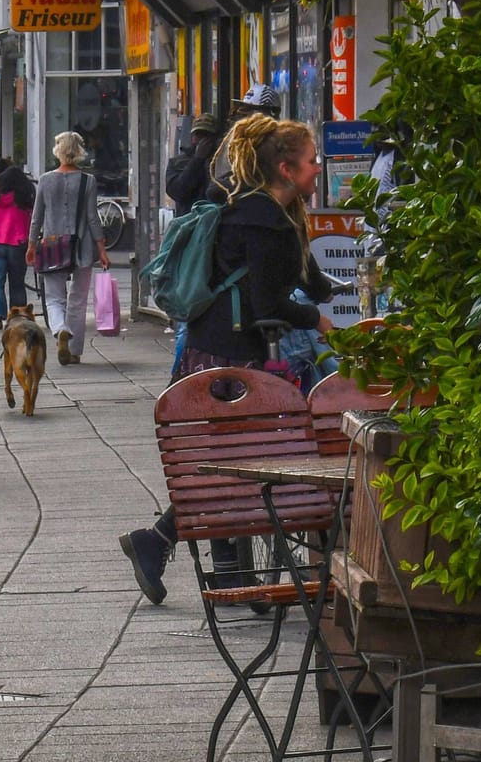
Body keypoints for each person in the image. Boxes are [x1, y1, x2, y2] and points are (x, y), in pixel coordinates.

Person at [120, 114, 334, 606]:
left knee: (225, 462)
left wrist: (324, 290)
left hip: (207, 347)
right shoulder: (268, 222)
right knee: (237, 462)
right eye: (310, 161)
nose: (317, 168)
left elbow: (302, 271)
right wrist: (317, 319)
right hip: (233, 355)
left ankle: (220, 569)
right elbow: (268, 302)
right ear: (286, 167)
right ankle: (177, 550)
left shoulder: (247, 205)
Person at [27, 131, 110, 366]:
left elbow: (37, 217)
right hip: (82, 247)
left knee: (54, 298)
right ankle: (73, 350)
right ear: (79, 151)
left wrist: (32, 244)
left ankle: (60, 329)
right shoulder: (88, 181)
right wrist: (102, 249)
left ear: (58, 151)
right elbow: (93, 218)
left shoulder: (45, 180)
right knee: (78, 299)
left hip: (52, 246)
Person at [0, 159, 34, 328]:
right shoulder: (24, 199)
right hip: (17, 243)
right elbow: (31, 220)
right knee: (17, 282)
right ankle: (17, 316)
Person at [165, 115, 222, 210]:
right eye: (198, 135)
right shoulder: (177, 163)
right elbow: (177, 192)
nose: (202, 141)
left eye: (206, 135)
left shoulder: (223, 161)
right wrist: (197, 160)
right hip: (189, 219)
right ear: (192, 138)